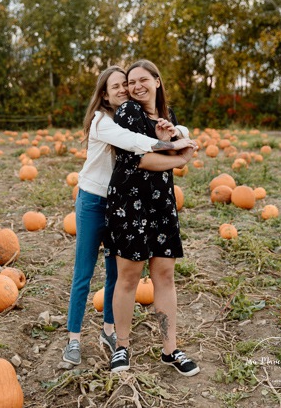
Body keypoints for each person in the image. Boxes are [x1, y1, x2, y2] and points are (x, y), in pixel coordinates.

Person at [62, 65, 195, 366]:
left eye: (132, 82)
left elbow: (175, 131)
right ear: (105, 95)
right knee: (86, 272)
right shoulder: (106, 121)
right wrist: (177, 148)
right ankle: (74, 338)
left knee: (117, 274)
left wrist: (179, 133)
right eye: (121, 85)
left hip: (142, 202)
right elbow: (137, 150)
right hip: (98, 200)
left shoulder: (156, 115)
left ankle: (112, 333)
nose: (127, 88)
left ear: (158, 82)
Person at [105, 59, 200, 376]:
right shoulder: (127, 112)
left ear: (157, 81)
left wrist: (178, 147)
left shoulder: (167, 117)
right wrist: (179, 155)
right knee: (129, 277)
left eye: (143, 79)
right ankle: (122, 346)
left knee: (165, 276)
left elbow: (175, 157)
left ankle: (170, 349)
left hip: (161, 203)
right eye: (131, 82)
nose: (135, 86)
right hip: (129, 203)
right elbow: (142, 160)